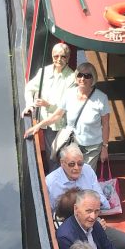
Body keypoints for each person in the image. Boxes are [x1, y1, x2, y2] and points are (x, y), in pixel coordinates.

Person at [48, 144, 125, 249]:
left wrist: (96, 218)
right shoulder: (51, 183)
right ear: (62, 163)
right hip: (69, 230)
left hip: (93, 222)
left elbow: (101, 200)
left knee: (123, 241)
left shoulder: (87, 170)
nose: (76, 168)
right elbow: (52, 216)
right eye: (71, 164)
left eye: (80, 163)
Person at [24, 62, 109, 171]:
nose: (82, 79)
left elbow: (106, 124)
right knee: (71, 172)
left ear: (93, 79)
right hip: (73, 143)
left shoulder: (101, 98)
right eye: (80, 75)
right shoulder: (69, 94)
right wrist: (38, 126)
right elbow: (57, 115)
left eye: (87, 76)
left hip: (92, 146)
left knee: (87, 174)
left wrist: (105, 147)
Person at [21, 42, 76, 171]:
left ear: (67, 59)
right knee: (51, 155)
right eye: (56, 56)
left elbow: (63, 109)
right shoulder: (44, 72)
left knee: (59, 155)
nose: (59, 59)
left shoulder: (72, 78)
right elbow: (29, 88)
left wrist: (48, 105)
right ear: (52, 57)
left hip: (61, 124)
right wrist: (29, 104)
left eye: (63, 57)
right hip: (46, 122)